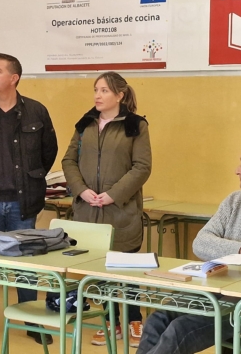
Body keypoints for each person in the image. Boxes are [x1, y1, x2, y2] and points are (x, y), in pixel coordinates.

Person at [137, 137, 241, 354]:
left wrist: (227, 250)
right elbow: (201, 243)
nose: (237, 170)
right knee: (157, 320)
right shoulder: (235, 200)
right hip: (215, 289)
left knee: (179, 330)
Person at [0, 53, 58, 348]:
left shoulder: (36, 112)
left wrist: (29, 179)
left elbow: (48, 153)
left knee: (25, 265)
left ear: (14, 78)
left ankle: (31, 320)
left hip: (23, 201)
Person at [62, 71, 152, 348]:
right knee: (99, 270)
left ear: (119, 95)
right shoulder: (85, 124)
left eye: (103, 91)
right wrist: (81, 190)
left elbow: (142, 167)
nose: (97, 96)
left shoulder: (136, 125)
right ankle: (111, 321)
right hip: (88, 211)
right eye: (95, 90)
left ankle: (134, 319)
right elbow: (68, 161)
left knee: (126, 269)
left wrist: (113, 195)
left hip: (121, 211)